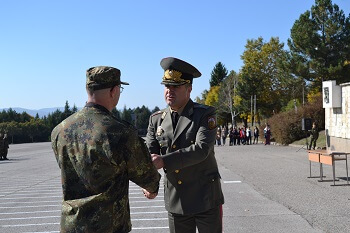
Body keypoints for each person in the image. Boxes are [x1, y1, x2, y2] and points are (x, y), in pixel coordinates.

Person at [51, 66, 161, 233]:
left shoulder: (60, 130)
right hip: (108, 225)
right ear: (114, 91)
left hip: (72, 224)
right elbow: (146, 174)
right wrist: (152, 188)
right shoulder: (119, 131)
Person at [145, 57, 224, 233]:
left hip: (205, 198)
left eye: (176, 86)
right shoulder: (156, 119)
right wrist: (149, 183)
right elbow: (150, 155)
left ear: (189, 89)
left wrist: (164, 161)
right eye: (167, 86)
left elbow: (202, 149)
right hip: (176, 199)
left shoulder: (204, 114)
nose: (169, 91)